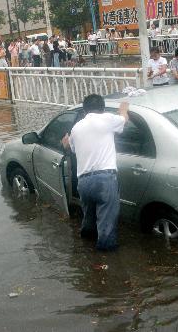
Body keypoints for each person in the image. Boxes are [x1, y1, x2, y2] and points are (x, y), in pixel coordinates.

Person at [61, 94, 129, 251]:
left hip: (84, 182)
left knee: (89, 218)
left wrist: (65, 144)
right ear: (103, 108)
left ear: (85, 111)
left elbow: (71, 148)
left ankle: (85, 250)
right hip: (105, 180)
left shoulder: (76, 128)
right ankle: (105, 264)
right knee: (106, 224)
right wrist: (124, 109)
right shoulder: (107, 119)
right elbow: (124, 120)